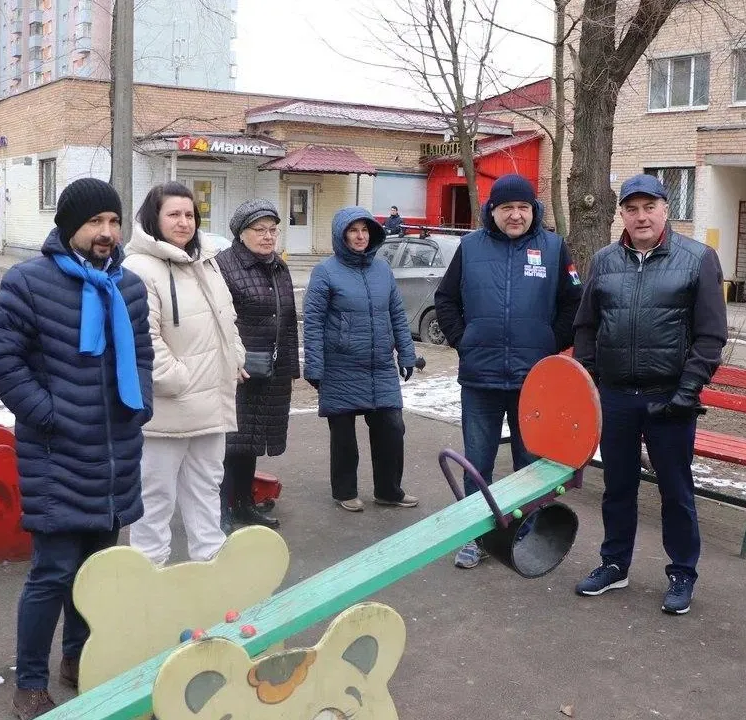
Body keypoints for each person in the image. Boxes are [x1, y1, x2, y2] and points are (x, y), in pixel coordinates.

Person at [0, 177, 153, 720]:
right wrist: (49, 416)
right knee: (52, 573)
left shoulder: (128, 286)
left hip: (115, 454)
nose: (106, 233)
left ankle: (80, 659)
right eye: (94, 222)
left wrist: (139, 402)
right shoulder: (28, 282)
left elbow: (143, 353)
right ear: (68, 227)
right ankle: (30, 681)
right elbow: (1, 361)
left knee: (97, 570)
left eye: (113, 221)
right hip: (56, 454)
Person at [571, 173, 726, 616]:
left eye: (649, 207)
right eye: (631, 208)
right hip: (617, 397)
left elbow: (711, 334)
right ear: (621, 213)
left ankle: (682, 572)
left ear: (665, 210)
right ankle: (614, 564)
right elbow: (586, 326)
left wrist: (688, 390)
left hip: (669, 399)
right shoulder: (604, 260)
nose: (641, 216)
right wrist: (591, 380)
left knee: (676, 492)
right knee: (617, 487)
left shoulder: (697, 259)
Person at [433, 174, 582, 569]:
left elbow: (574, 302)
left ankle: (526, 533)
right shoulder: (470, 248)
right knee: (477, 463)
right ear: (492, 211)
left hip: (534, 382)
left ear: (534, 210)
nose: (515, 215)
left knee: (529, 463)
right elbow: (445, 299)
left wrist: (550, 342)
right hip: (480, 379)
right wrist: (463, 339)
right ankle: (477, 537)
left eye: (523, 207)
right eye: (506, 208)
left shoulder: (553, 248)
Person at [121, 182, 246, 566]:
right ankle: (147, 575)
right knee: (155, 497)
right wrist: (177, 379)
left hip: (211, 403)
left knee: (207, 489)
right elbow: (142, 337)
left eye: (189, 214)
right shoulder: (139, 268)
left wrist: (235, 357)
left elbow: (227, 317)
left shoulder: (205, 261)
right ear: (154, 219)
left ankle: (210, 567)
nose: (183, 222)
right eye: (173, 214)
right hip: (167, 409)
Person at [303, 206, 420, 512]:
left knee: (392, 429)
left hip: (380, 365)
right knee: (343, 437)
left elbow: (396, 313)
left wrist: (407, 353)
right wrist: (314, 366)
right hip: (340, 365)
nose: (360, 236)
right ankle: (345, 491)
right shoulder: (325, 272)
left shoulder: (382, 270)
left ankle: (388, 490)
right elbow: (313, 321)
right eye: (353, 231)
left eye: (365, 230)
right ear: (341, 235)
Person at [215, 199, 300, 530]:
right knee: (228, 444)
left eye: (273, 229)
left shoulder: (278, 266)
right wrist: (231, 362)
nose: (268, 236)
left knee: (250, 442)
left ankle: (244, 504)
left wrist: (291, 368)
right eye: (260, 230)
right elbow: (219, 323)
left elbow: (289, 319)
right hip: (238, 371)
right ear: (241, 233)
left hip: (270, 371)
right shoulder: (224, 267)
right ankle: (221, 510)